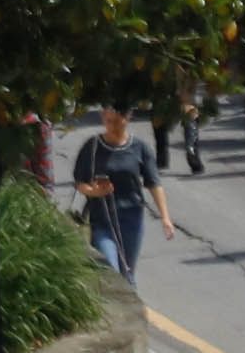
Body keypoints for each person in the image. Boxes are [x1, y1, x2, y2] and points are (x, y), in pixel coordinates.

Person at [68, 105, 172, 278]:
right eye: (109, 121)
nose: (113, 126)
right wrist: (95, 192)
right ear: (103, 118)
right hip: (101, 219)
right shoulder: (92, 147)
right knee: (111, 270)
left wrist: (165, 217)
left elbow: (154, 183)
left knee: (127, 273)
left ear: (128, 118)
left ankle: (131, 302)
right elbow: (80, 183)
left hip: (131, 218)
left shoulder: (139, 148)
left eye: (117, 121)